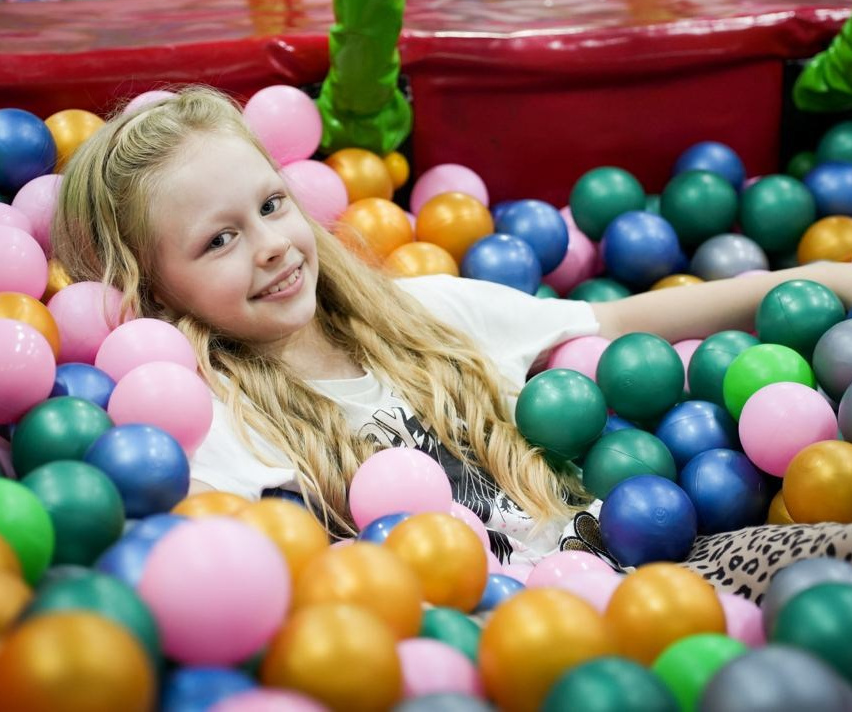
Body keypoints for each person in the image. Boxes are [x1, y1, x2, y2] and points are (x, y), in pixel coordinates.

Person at [53, 86, 852, 599]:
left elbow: (617, 321)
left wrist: (830, 279)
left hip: (654, 565)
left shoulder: (422, 315)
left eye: (270, 205)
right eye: (218, 240)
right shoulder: (212, 419)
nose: (268, 244)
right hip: (491, 649)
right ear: (156, 291)